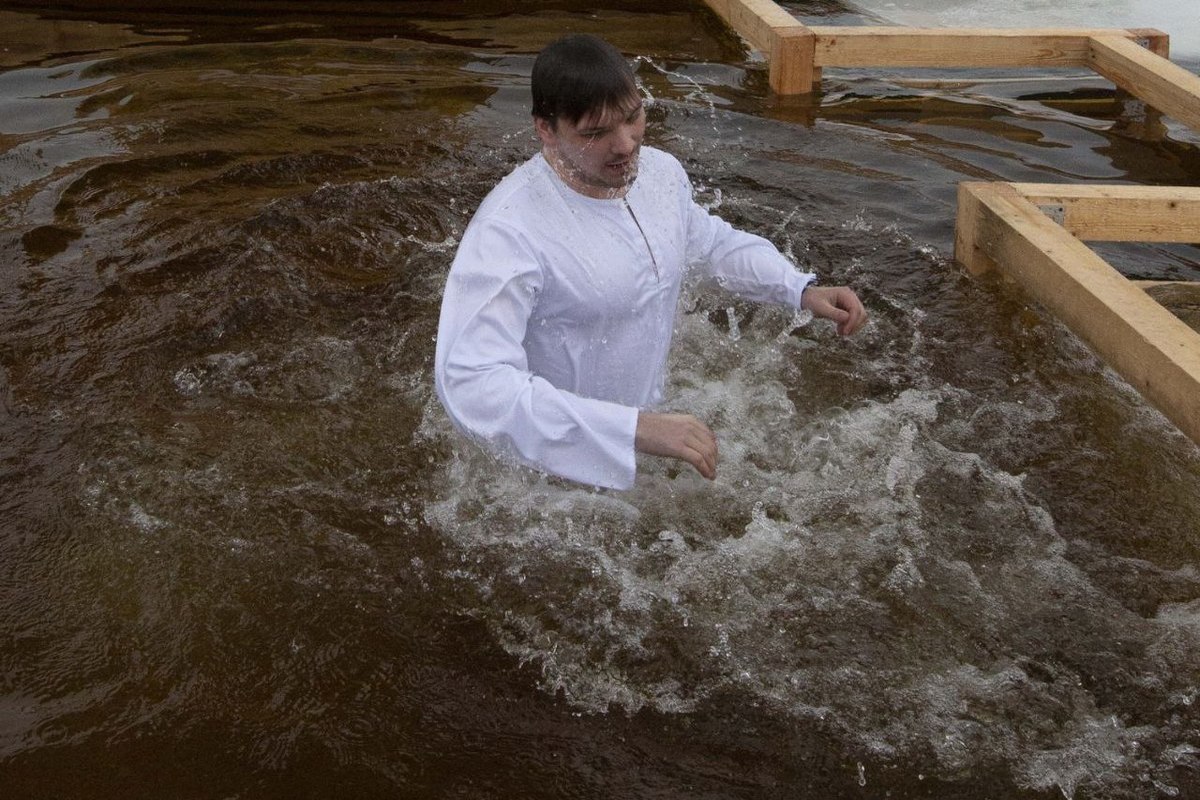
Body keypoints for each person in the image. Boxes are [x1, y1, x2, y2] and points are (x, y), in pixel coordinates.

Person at [434, 33, 866, 491]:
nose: (625, 145)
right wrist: (633, 429)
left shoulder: (658, 173)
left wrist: (798, 288)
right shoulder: (509, 231)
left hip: (649, 429)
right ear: (546, 129)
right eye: (595, 133)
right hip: (549, 480)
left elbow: (708, 244)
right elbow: (471, 382)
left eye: (633, 117)